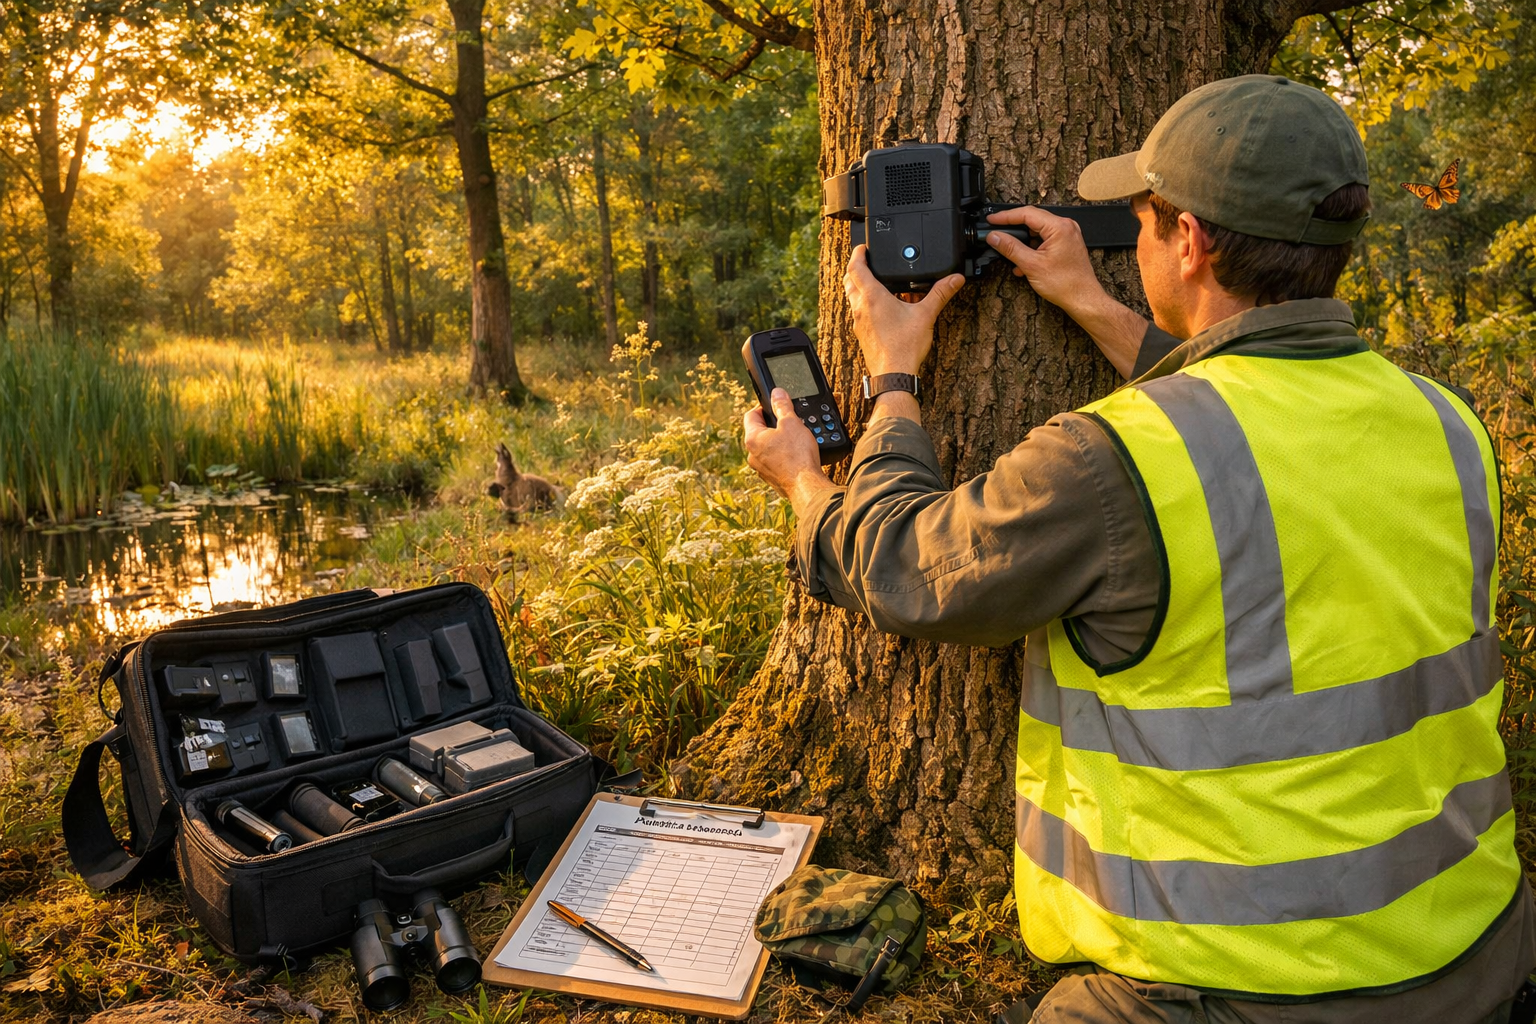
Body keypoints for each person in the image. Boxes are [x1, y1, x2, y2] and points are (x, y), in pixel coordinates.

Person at [742, 75, 1535, 1024]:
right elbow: (1246, 417)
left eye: (1148, 221)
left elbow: (902, 569)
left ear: (1190, 241)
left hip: (1246, 990)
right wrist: (1088, 300)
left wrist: (864, 408)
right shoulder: (1446, 423)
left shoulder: (1109, 459)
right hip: (1478, 949)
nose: (1146, 240)